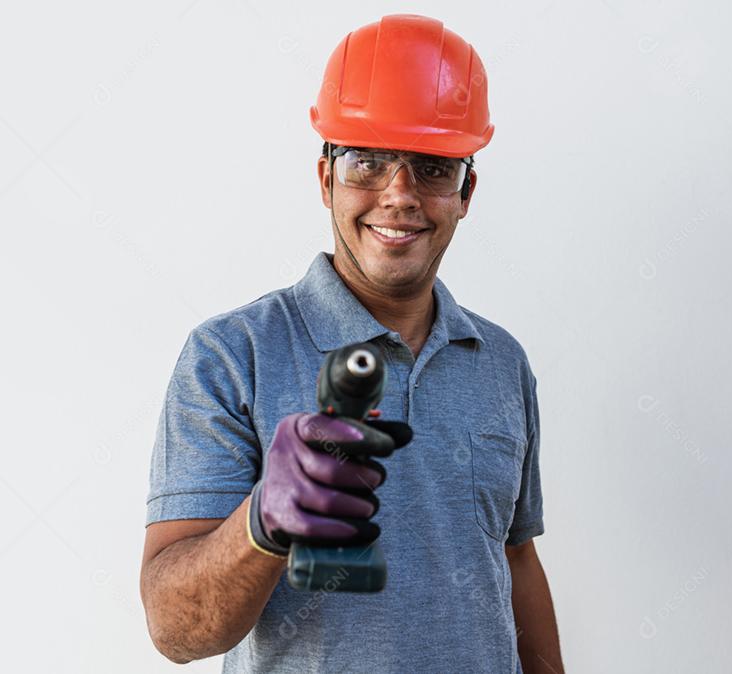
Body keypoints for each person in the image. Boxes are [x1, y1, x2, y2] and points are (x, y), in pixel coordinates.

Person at [140, 14, 564, 673]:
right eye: (366, 162)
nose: (398, 197)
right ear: (325, 178)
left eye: (431, 168)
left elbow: (514, 560)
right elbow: (176, 632)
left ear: (465, 192)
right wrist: (264, 521)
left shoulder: (502, 362)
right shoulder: (232, 355)